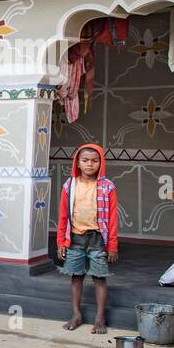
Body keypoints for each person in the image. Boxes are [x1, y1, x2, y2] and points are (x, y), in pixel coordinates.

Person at [56, 142, 118, 333]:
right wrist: (60, 241)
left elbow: (113, 217)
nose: (90, 164)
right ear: (77, 162)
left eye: (94, 161)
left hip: (98, 239)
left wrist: (113, 246)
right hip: (75, 238)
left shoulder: (107, 186)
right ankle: (76, 314)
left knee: (99, 278)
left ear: (101, 163)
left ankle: (100, 318)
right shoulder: (70, 185)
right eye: (85, 160)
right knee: (76, 277)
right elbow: (63, 215)